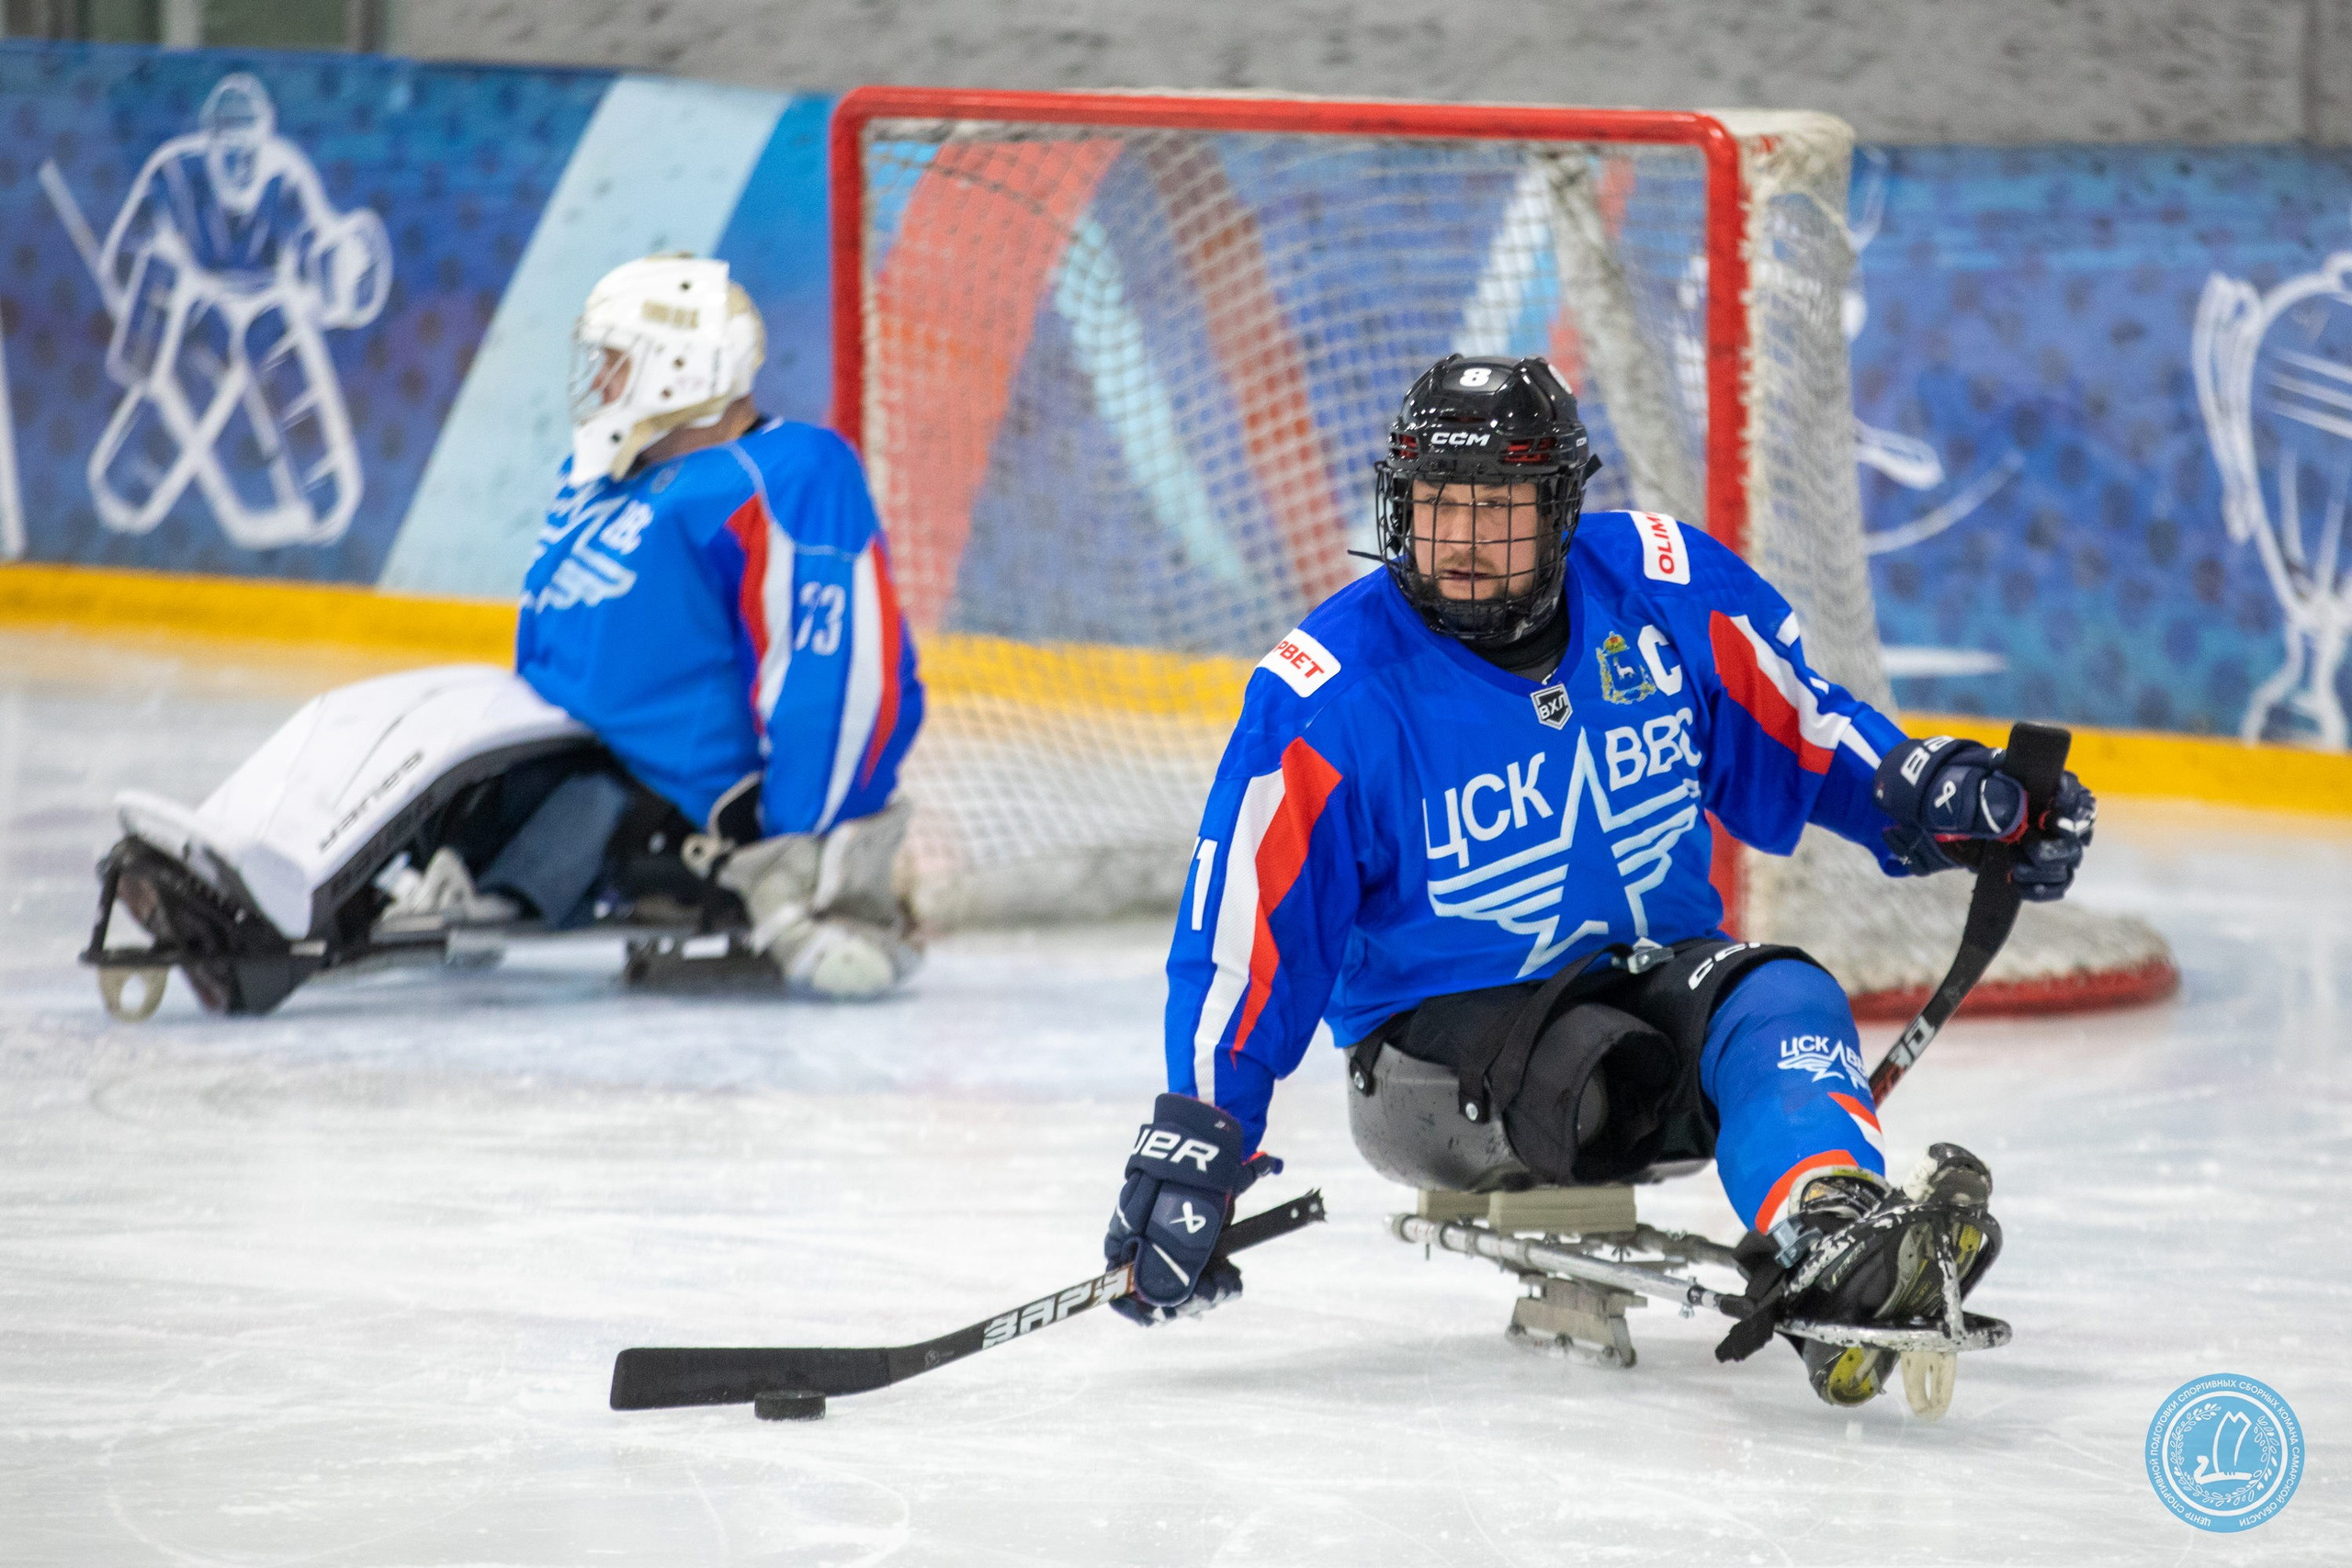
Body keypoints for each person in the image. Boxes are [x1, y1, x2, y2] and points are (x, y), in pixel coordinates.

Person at [1102, 355, 2096, 1406]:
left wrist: (1940, 795)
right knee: (1610, 1063)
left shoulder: (1661, 585)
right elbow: (1244, 932)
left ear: (1565, 510)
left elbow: (1804, 732)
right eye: (1438, 508)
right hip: (1433, 1045)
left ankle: (1829, 1228)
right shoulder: (1329, 689)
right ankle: (1806, 1224)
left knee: (1783, 995)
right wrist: (1202, 1132)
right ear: (1398, 505)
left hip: (1641, 976)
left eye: (1501, 512)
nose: (1464, 547)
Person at [505, 253, 926, 998]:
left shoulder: (790, 470)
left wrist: (801, 852)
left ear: (680, 369)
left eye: (615, 363)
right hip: (545, 775)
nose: (598, 382)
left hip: (678, 824)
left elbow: (835, 675)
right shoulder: (598, 479)